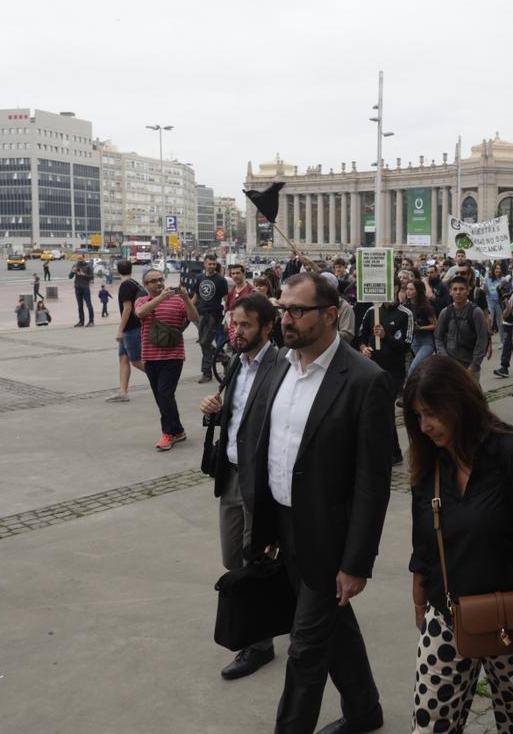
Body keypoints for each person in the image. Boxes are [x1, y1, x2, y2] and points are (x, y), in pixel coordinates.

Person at [246, 271, 393, 734]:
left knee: (306, 649)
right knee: (335, 629)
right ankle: (365, 712)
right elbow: (265, 445)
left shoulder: (365, 380)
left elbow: (373, 483)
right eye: (281, 308)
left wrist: (356, 562)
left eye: (296, 311)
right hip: (283, 526)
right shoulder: (276, 366)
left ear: (330, 316)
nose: (283, 318)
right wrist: (263, 528)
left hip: (329, 537)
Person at [404, 356, 513, 734]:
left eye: (432, 412)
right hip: (446, 616)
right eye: (417, 416)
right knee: (430, 726)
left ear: (460, 403)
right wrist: (421, 601)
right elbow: (424, 544)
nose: (425, 425)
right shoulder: (430, 463)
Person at [198, 293, 280, 682]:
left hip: (260, 482)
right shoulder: (234, 362)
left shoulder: (282, 366)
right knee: (233, 558)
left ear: (267, 327)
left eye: (245, 325)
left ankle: (259, 644)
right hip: (230, 475)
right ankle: (280, 614)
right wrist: (216, 408)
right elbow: (236, 415)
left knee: (253, 562)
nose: (237, 331)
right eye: (235, 323)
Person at [135, 268, 198, 451]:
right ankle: (178, 430)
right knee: (162, 397)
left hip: (173, 356)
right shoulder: (142, 300)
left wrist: (186, 298)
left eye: (160, 279)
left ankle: (168, 433)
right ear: (146, 285)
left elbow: (194, 317)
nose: (159, 283)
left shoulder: (178, 301)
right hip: (150, 357)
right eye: (153, 281)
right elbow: (139, 314)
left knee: (164, 394)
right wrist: (161, 298)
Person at [356, 288, 413, 464]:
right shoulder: (372, 311)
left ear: (397, 290)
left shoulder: (405, 314)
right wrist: (364, 348)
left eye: (393, 288)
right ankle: (387, 450)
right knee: (376, 410)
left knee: (386, 409)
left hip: (394, 371)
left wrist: (386, 336)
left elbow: (406, 345)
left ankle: (393, 452)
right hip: (373, 368)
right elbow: (361, 337)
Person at [434, 275, 488, 379]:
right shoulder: (445, 312)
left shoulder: (476, 312)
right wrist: (445, 360)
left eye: (461, 289)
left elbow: (482, 340)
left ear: (468, 291)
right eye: (455, 289)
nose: (458, 292)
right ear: (450, 292)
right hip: (449, 367)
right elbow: (438, 337)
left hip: (469, 367)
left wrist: (473, 366)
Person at [108, 260, 147, 403]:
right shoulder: (135, 283)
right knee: (123, 359)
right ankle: (123, 392)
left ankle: (162, 378)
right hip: (134, 327)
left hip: (131, 329)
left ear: (118, 271)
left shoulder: (125, 286)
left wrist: (120, 330)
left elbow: (127, 308)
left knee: (136, 361)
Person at [194, 254, 229, 384]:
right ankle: (224, 358)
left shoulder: (221, 280)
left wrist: (227, 316)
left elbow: (226, 300)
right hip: (201, 314)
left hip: (214, 315)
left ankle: (206, 373)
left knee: (204, 343)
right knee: (204, 343)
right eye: (210, 264)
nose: (212, 266)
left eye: (214, 264)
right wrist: (187, 309)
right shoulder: (200, 278)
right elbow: (196, 296)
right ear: (205, 264)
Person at [405, 279, 438, 374]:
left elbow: (436, 325)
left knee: (413, 368)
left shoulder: (426, 307)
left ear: (418, 291)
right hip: (414, 341)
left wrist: (420, 328)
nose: (408, 291)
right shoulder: (406, 306)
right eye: (407, 289)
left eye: (411, 289)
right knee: (422, 369)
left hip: (426, 342)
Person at [68, 257, 94, 327]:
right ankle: (81, 322)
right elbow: (70, 277)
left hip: (85, 288)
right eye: (78, 258)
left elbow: (92, 277)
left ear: (83, 258)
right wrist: (72, 272)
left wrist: (84, 274)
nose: (79, 259)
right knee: (80, 306)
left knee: (89, 305)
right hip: (77, 288)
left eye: (80, 258)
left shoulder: (88, 266)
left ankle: (91, 321)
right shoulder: (75, 266)